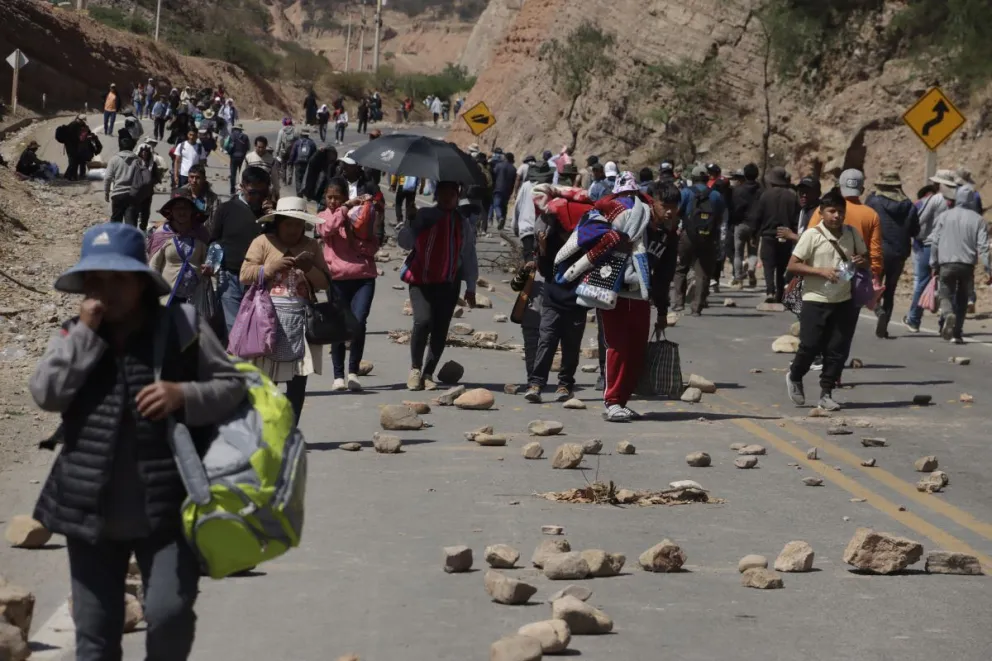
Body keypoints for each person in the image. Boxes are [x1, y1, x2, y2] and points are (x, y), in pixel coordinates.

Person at [30, 221, 245, 661]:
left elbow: (231, 385)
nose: (105, 291)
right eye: (96, 279)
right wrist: (86, 337)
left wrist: (182, 395)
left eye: (117, 279)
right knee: (95, 635)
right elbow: (46, 394)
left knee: (169, 615)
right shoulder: (75, 334)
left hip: (168, 507)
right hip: (87, 509)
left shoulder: (181, 326)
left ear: (141, 283)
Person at [599, 180, 681, 421]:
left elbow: (665, 275)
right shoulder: (635, 222)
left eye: (674, 207)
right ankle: (612, 401)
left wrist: (663, 311)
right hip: (615, 293)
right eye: (664, 205)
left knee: (636, 350)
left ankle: (622, 401)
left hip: (642, 297)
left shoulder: (668, 235)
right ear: (652, 201)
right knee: (617, 347)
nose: (669, 211)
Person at [241, 197, 328, 423]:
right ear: (278, 222)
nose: (293, 229)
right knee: (267, 381)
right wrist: (270, 268)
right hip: (267, 320)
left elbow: (325, 283)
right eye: (288, 223)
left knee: (298, 381)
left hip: (301, 322)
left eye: (297, 224)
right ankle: (266, 430)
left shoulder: (311, 246)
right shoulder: (262, 242)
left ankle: (290, 430)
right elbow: (244, 274)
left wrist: (308, 269)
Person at [785, 188, 868, 411]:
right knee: (810, 345)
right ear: (821, 212)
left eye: (840, 212)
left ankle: (826, 392)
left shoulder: (851, 234)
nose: (837, 216)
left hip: (844, 299)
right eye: (832, 211)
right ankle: (795, 375)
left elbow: (865, 259)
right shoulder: (812, 235)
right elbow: (793, 265)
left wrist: (861, 260)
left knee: (837, 349)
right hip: (815, 298)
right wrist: (821, 271)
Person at [398, 181, 479, 391]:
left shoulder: (462, 223)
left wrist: (471, 287)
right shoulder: (425, 216)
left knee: (440, 329)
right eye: (442, 194)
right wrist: (411, 221)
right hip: (420, 280)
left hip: (448, 283)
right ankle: (415, 369)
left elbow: (469, 255)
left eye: (451, 194)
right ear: (436, 195)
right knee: (423, 321)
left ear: (457, 196)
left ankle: (428, 373)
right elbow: (405, 243)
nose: (446, 198)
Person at [316, 178, 380, 391]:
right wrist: (345, 209)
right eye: (330, 197)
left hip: (363, 277)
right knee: (338, 326)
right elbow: (327, 230)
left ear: (345, 196)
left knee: (359, 322)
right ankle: (338, 376)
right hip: (337, 280)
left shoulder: (357, 216)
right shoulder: (323, 216)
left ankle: (353, 372)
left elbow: (374, 242)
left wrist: (360, 236)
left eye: (337, 197)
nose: (333, 201)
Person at [523, 204, 589, 404]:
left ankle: (565, 385)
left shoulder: (585, 243)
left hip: (576, 302)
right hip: (552, 300)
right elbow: (545, 272)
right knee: (546, 341)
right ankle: (536, 383)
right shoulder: (550, 241)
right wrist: (542, 248)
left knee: (571, 346)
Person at [209, 167, 273, 333]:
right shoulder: (226, 209)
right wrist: (212, 264)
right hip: (230, 277)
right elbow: (215, 240)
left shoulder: (272, 214)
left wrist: (272, 217)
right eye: (253, 192)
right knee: (236, 328)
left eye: (263, 193)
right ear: (243, 186)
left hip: (261, 279)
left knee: (258, 328)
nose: (258, 197)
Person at [929, 184, 990, 343]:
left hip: (946, 263)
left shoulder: (944, 216)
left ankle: (948, 313)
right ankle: (957, 333)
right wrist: (988, 269)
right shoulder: (979, 220)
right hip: (967, 265)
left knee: (944, 293)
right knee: (963, 298)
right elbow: (983, 247)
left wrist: (933, 262)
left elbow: (935, 241)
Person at [865, 171, 920, 338]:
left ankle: (877, 309)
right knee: (890, 290)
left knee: (871, 286)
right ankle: (884, 325)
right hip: (899, 253)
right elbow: (915, 230)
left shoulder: (873, 201)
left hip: (877, 251)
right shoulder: (909, 204)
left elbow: (866, 223)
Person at [807, 168, 883, 280]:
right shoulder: (872, 215)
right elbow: (875, 252)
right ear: (861, 190)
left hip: (827, 272)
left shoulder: (824, 210)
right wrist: (875, 273)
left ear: (839, 188)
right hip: (857, 273)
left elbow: (809, 238)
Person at [673, 165, 726, 315]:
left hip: (687, 236)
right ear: (707, 177)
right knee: (703, 272)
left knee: (681, 268)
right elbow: (720, 216)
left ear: (693, 178)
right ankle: (697, 307)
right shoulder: (715, 195)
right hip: (708, 237)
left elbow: (677, 212)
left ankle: (678, 303)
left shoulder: (685, 193)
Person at [905, 176, 951, 332]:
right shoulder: (959, 201)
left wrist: (918, 237)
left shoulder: (935, 199)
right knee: (948, 285)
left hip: (930, 244)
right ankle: (944, 322)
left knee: (923, 282)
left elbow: (920, 219)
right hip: (950, 247)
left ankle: (914, 319)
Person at [748, 166, 799, 303]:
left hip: (768, 235)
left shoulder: (765, 195)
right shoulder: (792, 196)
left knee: (769, 265)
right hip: (786, 235)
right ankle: (780, 293)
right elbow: (796, 218)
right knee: (782, 266)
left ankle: (770, 291)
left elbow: (757, 216)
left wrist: (754, 234)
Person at [148, 196, 210, 305]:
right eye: (177, 208)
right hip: (169, 295)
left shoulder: (201, 234)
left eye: (186, 208)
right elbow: (154, 266)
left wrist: (209, 270)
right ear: (171, 211)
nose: (182, 212)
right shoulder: (162, 234)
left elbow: (208, 261)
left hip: (195, 295)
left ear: (192, 211)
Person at [105, 130, 151, 226]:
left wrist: (106, 193)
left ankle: (115, 241)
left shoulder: (114, 159)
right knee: (131, 224)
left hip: (117, 195)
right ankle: (130, 240)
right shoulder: (138, 160)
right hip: (133, 196)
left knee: (115, 224)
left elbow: (108, 178)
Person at [730, 163, 761, 288]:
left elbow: (734, 208)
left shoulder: (738, 190)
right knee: (753, 252)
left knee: (738, 253)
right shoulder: (761, 190)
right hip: (755, 225)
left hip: (740, 224)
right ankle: (751, 269)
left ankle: (738, 279)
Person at [175, 164, 220, 232]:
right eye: (191, 177)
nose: (194, 180)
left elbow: (216, 221)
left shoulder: (213, 199)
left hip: (204, 235)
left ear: (204, 179)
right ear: (188, 178)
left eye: (197, 177)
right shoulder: (181, 194)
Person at [135, 139, 166, 232]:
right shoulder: (135, 163)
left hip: (148, 192)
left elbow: (157, 177)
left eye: (146, 152)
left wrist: (151, 181)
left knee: (145, 212)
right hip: (136, 192)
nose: (144, 153)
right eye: (143, 151)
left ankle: (143, 229)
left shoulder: (153, 164)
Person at [491, 152, 517, 232]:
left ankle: (499, 217)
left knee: (496, 205)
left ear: (505, 158)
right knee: (504, 207)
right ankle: (502, 223)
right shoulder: (513, 168)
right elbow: (514, 181)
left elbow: (493, 175)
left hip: (498, 188)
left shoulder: (499, 165)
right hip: (508, 190)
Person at [224, 124, 251, 196]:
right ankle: (242, 190)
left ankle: (232, 190)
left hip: (233, 157)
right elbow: (248, 147)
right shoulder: (245, 137)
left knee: (233, 175)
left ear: (235, 129)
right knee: (242, 174)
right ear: (241, 129)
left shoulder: (231, 135)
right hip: (242, 158)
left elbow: (226, 145)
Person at [289, 129, 317, 197]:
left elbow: (293, 153)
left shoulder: (297, 142)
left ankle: (299, 193)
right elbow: (315, 155)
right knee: (306, 178)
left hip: (298, 163)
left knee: (298, 179)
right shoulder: (312, 143)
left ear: (301, 134)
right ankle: (306, 192)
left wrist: (290, 161)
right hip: (307, 164)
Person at [275, 118, 298, 186]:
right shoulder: (295, 130)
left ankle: (284, 180)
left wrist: (277, 151)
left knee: (283, 166)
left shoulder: (281, 131)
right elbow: (297, 142)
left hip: (283, 151)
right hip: (292, 151)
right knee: (290, 165)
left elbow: (278, 142)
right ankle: (290, 177)